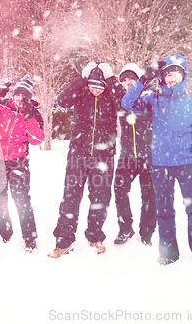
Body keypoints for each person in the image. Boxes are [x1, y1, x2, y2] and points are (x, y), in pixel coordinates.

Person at [122, 55, 192, 265]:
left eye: (176, 74)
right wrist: (143, 80)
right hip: (160, 165)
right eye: (167, 75)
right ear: (162, 78)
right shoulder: (153, 99)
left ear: (184, 76)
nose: (172, 78)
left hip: (187, 164)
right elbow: (127, 102)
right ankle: (168, 253)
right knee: (164, 211)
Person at [48, 62, 125, 258]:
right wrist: (81, 80)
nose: (96, 90)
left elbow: (126, 105)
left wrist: (112, 80)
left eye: (100, 86)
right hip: (78, 154)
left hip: (104, 156)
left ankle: (95, 236)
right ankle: (64, 241)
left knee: (100, 199)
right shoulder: (81, 92)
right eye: (92, 85)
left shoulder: (111, 96)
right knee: (70, 198)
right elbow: (62, 101)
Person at [0, 75, 44, 252]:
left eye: (25, 96)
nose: (20, 99)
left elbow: (37, 139)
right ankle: (6, 233)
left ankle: (29, 238)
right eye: (18, 94)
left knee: (21, 200)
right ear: (13, 94)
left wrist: (28, 117)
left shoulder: (33, 114)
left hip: (18, 163)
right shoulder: (2, 106)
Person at [113, 63, 157, 246]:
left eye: (130, 78)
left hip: (149, 156)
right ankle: (125, 228)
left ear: (138, 79)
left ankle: (146, 233)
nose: (127, 82)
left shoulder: (150, 97)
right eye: (123, 80)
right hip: (127, 156)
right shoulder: (121, 100)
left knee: (149, 195)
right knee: (119, 190)